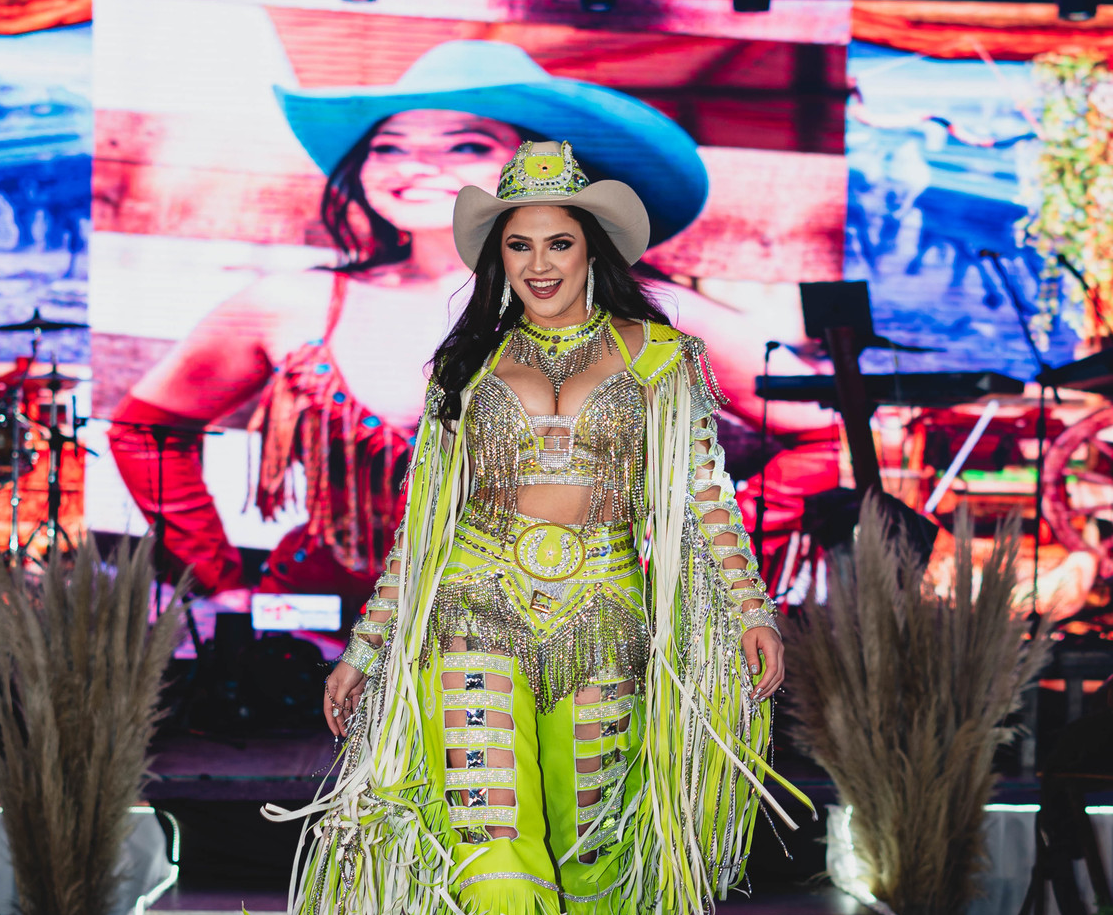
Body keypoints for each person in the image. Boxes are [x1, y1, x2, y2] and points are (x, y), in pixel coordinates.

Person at [254, 138, 804, 915]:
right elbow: (423, 528)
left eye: (558, 242)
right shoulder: (465, 367)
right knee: (501, 866)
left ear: (592, 247)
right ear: (496, 258)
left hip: (605, 631)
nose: (539, 263)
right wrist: (366, 649)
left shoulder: (661, 358)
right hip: (474, 616)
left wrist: (750, 611)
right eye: (519, 246)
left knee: (584, 874)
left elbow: (705, 499)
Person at [106, 40, 832, 607]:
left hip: (561, 651)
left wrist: (696, 548)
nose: (414, 165)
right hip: (331, 637)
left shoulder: (646, 315)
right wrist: (219, 578)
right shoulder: (289, 303)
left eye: (464, 144)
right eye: (389, 145)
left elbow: (830, 436)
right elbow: (144, 431)